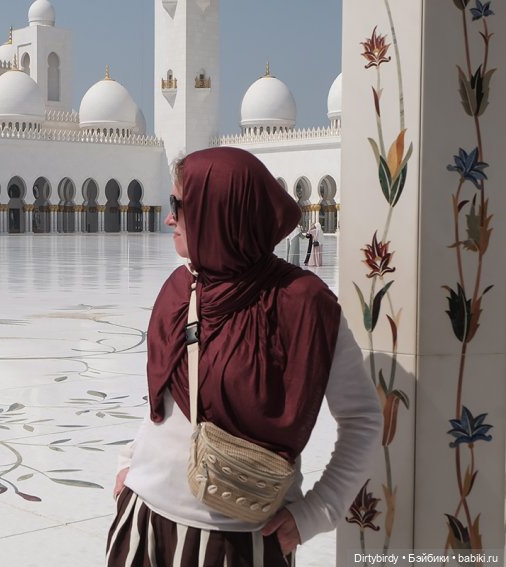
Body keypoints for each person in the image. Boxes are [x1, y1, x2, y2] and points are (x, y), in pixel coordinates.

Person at [106, 148, 381, 566]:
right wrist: (131, 465)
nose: (168, 218)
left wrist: (314, 514)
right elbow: (166, 400)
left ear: (222, 211)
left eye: (179, 205)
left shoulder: (302, 305)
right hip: (147, 526)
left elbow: (362, 419)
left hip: (241, 543)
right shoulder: (182, 289)